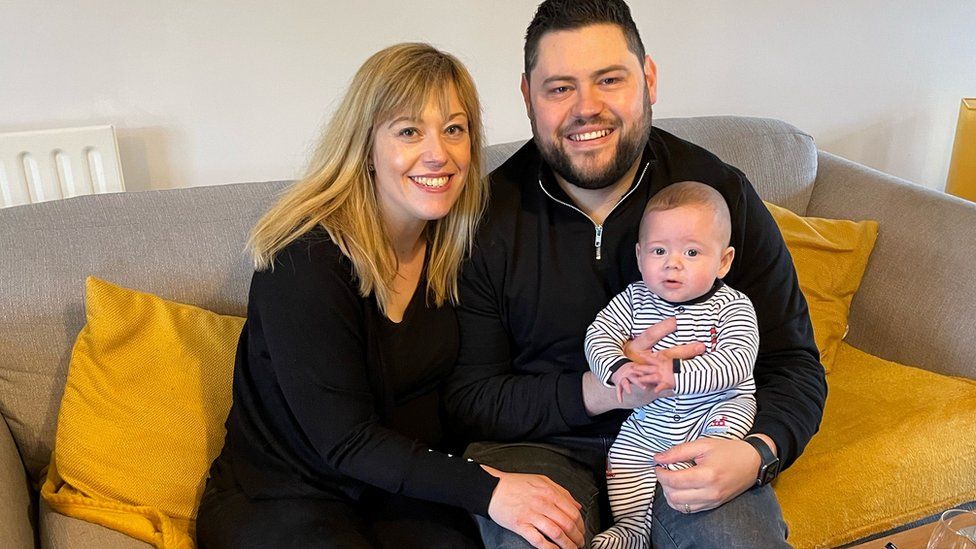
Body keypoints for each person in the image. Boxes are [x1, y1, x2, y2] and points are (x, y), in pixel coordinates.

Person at [443, 1, 827, 547]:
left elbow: (793, 362)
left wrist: (758, 452)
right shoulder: (482, 220)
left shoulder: (720, 195)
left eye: (609, 79)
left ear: (648, 78)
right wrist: (604, 391)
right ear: (528, 97)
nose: (586, 108)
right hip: (538, 450)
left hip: (692, 429)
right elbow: (470, 398)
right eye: (559, 88)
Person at [196, 43, 584, 549]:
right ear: (366, 146)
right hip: (284, 497)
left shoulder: (453, 248)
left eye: (454, 129)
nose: (438, 153)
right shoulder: (305, 261)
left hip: (394, 490)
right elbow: (346, 441)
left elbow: (459, 396)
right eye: (408, 131)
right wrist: (488, 489)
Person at [586, 182, 759, 549]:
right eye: (659, 250)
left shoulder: (734, 307)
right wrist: (615, 368)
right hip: (652, 417)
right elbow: (597, 335)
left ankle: (681, 491)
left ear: (723, 261)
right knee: (625, 456)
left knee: (715, 440)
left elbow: (738, 362)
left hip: (716, 409)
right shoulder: (634, 300)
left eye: (692, 252)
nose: (673, 263)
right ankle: (632, 528)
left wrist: (675, 375)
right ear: (639, 256)